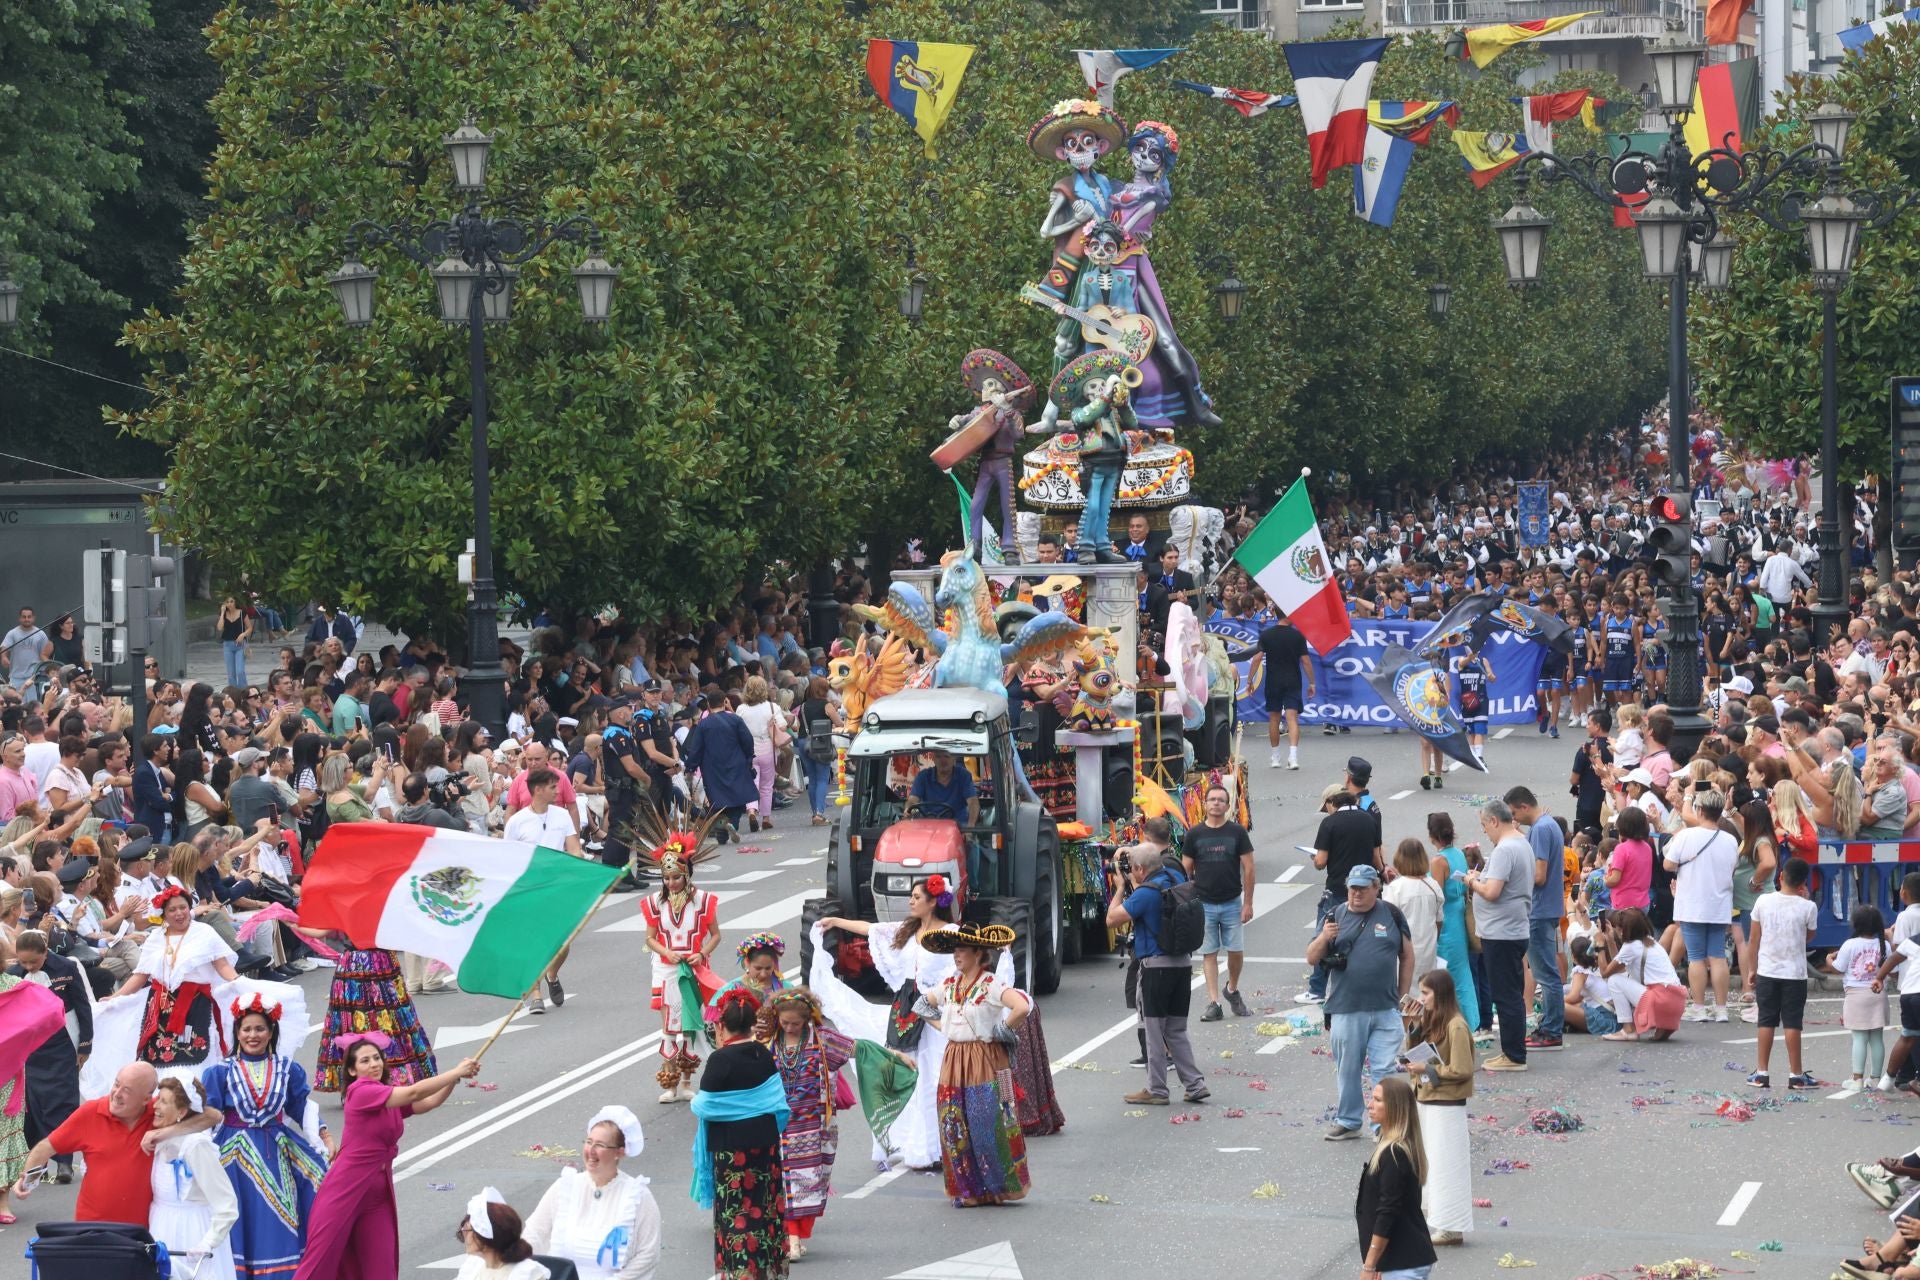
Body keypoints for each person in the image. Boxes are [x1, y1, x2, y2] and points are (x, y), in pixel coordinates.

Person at [293, 1034, 480, 1280]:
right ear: (352, 1070)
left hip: (377, 1196)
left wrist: (455, 1078)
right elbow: (414, 1093)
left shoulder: (385, 1093)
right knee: (320, 1264)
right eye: (365, 1061)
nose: (374, 1064)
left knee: (381, 1268)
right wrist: (455, 1070)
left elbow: (428, 1102)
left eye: (377, 1058)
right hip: (346, 1189)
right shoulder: (360, 1092)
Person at [198, 998, 329, 1278]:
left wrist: (322, 1133)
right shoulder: (220, 1072)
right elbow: (207, 1115)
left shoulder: (286, 1068)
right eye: (246, 1029)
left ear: (271, 1032)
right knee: (237, 1213)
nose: (252, 1035)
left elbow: (300, 1105)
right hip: (233, 1156)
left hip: (276, 1149)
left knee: (316, 1184)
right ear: (237, 1032)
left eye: (259, 1029)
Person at [914, 922, 1032, 1207]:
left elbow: (1022, 1007)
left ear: (979, 953)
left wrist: (1002, 1032)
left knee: (989, 1124)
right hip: (955, 1058)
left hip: (988, 1059)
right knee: (954, 1124)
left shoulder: (991, 984)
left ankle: (997, 1188)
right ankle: (969, 1191)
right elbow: (920, 1005)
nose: (957, 955)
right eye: (955, 950)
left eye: (962, 950)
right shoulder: (950, 984)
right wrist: (945, 1027)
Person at [691, 989, 790, 1280]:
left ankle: (741, 1274)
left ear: (721, 1027)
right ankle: (764, 1272)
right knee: (765, 1209)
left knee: (737, 1216)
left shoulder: (721, 1060)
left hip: (733, 1154)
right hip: (766, 1149)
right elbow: (777, 1104)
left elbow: (704, 1105)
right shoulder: (764, 1054)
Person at [1311, 864, 1414, 1140]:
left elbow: (1407, 956)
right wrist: (1324, 937)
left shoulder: (1391, 914)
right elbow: (1311, 957)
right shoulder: (1335, 915)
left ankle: (1383, 1125)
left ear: (1376, 888)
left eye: (1362, 888)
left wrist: (1402, 997)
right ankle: (1348, 1120)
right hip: (1346, 1008)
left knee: (1384, 1069)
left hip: (1385, 1008)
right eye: (1352, 888)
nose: (1356, 893)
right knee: (1348, 1068)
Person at [757, 988, 856, 1262]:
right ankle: (790, 1238)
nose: (789, 1028)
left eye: (795, 1024)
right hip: (774, 1126)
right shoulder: (766, 1041)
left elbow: (860, 1050)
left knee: (807, 1182)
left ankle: (796, 1236)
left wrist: (895, 1057)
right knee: (779, 1181)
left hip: (812, 1126)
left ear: (807, 1021)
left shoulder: (822, 1040)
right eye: (784, 1023)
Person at [634, 811, 723, 1102]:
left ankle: (686, 1082)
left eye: (676, 877)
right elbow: (649, 938)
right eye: (666, 877)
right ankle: (668, 1083)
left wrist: (701, 953)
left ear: (686, 875)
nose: (671, 883)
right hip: (666, 967)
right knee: (668, 1026)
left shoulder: (703, 901)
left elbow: (716, 935)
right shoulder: (654, 903)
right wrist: (666, 951)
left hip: (694, 968)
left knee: (689, 1026)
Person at [1109, 846, 1207, 1106]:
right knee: (1176, 1029)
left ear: (1140, 869)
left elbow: (1111, 919)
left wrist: (1120, 887)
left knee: (1154, 1030)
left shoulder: (1146, 893)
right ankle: (1195, 1085)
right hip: (1183, 964)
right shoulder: (1177, 879)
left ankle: (1157, 1089)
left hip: (1156, 967)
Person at [523, 1106, 663, 1280]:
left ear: (619, 1152)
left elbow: (648, 1254)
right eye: (589, 1142)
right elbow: (534, 1232)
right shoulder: (564, 1187)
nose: (591, 1151)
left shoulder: (638, 1196)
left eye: (600, 1145)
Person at [9, 928, 91, 1184]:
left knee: (63, 1101)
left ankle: (64, 1161)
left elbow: (82, 1004)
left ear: (46, 952)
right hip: (29, 1046)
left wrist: (85, 1045)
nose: (29, 966)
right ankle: (38, 1163)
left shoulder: (66, 967)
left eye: (34, 961)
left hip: (61, 1040)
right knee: (33, 1106)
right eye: (24, 962)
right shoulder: (14, 974)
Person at [1401, 969, 1474, 1248]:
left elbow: (1462, 1069)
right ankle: (1437, 1217)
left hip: (1446, 1103)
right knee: (1430, 1161)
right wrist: (1412, 1026)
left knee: (1447, 1164)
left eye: (1427, 993)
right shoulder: (1433, 1020)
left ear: (1440, 995)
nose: (1422, 998)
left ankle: (1451, 1226)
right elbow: (1417, 1050)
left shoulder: (1455, 1025)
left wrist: (1427, 1067)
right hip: (1427, 1097)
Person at [309, 940, 436, 1092]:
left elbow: (324, 930)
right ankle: (362, 1082)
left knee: (386, 1019)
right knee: (370, 1020)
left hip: (371, 963)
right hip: (367, 963)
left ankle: (393, 1078)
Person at [1466, 799, 1535, 1071]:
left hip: (1502, 932)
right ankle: (1511, 1050)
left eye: (1485, 826)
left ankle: (1514, 1055)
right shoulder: (1521, 842)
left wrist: (1473, 882)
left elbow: (1493, 892)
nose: (1485, 832)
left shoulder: (1506, 849)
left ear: (1495, 820)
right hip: (1510, 928)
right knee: (1509, 993)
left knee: (1505, 994)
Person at [148, 1077, 239, 1280]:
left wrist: (208, 1242)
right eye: (157, 1099)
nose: (156, 1106)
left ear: (181, 1112)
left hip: (192, 1232)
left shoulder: (197, 1146)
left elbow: (227, 1204)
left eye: (164, 1101)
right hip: (160, 1228)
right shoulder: (159, 1138)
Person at [1300, 786, 1383, 1006]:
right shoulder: (1368, 820)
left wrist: (1314, 858)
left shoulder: (1330, 823)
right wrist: (1383, 874)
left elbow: (1320, 862)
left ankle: (1317, 988)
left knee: (1324, 937)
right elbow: (1377, 857)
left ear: (1331, 802)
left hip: (1337, 889)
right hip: (1366, 889)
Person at [1664, 786, 1739, 1022]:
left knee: (1696, 956)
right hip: (1719, 903)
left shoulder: (1686, 836)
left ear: (1699, 809)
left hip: (1692, 902)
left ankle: (1698, 1007)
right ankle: (1721, 1008)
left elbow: (1668, 864)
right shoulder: (1730, 840)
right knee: (1717, 954)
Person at [1184, 782, 1255, 1022]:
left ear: (1227, 805)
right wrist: (1186, 903)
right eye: (1212, 799)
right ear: (1205, 804)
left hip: (1232, 902)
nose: (1216, 803)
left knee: (1236, 951)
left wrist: (1248, 903)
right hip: (1203, 904)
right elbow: (1186, 872)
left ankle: (1232, 989)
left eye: (1221, 800)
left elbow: (1249, 868)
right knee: (1209, 953)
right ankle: (1214, 1002)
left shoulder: (1237, 833)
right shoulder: (1194, 834)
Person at [1354, 1075, 1437, 1280]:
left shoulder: (1394, 1153)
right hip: (1398, 1260)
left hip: (1402, 1263)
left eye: (1378, 1100)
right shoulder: (1392, 1145)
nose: (1370, 1105)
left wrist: (1370, 1265)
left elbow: (1387, 1211)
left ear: (1395, 1107)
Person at [1747, 855, 1819, 1089]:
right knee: (1792, 1023)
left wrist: (1752, 969)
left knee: (1766, 1020)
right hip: (1795, 973)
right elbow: (1808, 937)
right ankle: (1796, 1074)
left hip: (1767, 970)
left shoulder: (1763, 902)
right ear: (1802, 884)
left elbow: (1754, 940)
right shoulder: (1808, 907)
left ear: (1780, 877)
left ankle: (1761, 1073)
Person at [1504, 786, 1566, 1053]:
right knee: (1547, 971)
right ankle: (1550, 1025)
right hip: (1549, 907)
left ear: (1523, 806)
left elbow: (1539, 875)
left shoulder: (1539, 829)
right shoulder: (1550, 824)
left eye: (1514, 813)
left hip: (1539, 910)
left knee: (1545, 973)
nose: (1513, 819)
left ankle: (1552, 1029)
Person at [1426, 814, 1481, 1033]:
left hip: (1446, 919)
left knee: (1447, 974)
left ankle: (1455, 1024)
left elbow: (1436, 895)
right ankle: (1470, 1020)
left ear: (1432, 835)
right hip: (1459, 915)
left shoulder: (1438, 861)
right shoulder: (1458, 854)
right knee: (1462, 972)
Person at [1598, 907, 1686, 1041]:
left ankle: (1628, 1031)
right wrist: (1610, 940)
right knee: (1619, 977)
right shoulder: (1650, 941)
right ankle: (1663, 1025)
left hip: (1660, 1000)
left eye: (1616, 927)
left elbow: (1605, 972)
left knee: (1614, 980)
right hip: (1676, 1002)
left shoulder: (1631, 947)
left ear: (1622, 930)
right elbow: (1620, 966)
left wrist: (1599, 945)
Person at [1832, 905, 1891, 1092]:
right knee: (1876, 1038)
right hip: (1878, 994)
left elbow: (1838, 967)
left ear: (1856, 924)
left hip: (1856, 995)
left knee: (1859, 1038)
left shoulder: (1850, 944)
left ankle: (1857, 1078)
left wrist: (1828, 960)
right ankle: (1875, 1078)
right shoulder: (1885, 945)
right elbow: (1892, 969)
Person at [705, 933, 787, 1045]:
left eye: (768, 968)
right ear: (747, 962)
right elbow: (720, 1035)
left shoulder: (785, 989)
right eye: (758, 968)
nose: (763, 974)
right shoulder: (730, 991)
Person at [1381, 839, 1442, 983]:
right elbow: (1439, 922)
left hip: (1402, 952)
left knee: (1404, 991)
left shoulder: (1396, 888)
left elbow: (1386, 923)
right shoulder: (1434, 886)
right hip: (1428, 950)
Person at [456, 1188, 549, 1280]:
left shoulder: (525, 1273)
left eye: (467, 1229)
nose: (463, 1233)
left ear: (485, 1237)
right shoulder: (474, 1266)